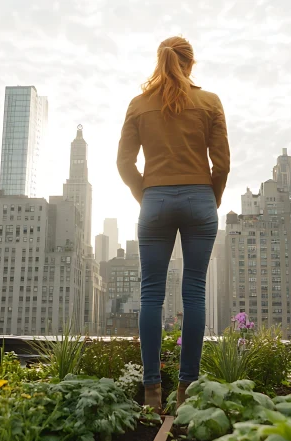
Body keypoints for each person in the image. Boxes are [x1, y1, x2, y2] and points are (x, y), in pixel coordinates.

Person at [117, 36, 230, 411]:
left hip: (155, 201)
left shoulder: (138, 104)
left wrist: (145, 195)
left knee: (151, 295)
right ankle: (186, 390)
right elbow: (222, 164)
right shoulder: (210, 101)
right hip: (199, 198)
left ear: (160, 60)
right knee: (194, 293)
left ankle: (152, 390)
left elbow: (124, 163)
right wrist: (209, 199)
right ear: (191, 63)